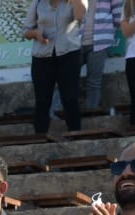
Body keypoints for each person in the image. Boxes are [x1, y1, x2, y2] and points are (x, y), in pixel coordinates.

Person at [25, 0, 87, 133]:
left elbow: (80, 16)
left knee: (70, 98)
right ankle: (40, 137)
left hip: (69, 54)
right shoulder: (37, 3)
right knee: (42, 101)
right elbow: (26, 31)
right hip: (42, 57)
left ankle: (75, 134)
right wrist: (36, 34)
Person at [83, 1, 126, 110]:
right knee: (66, 79)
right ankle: (60, 116)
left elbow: (118, 16)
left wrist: (108, 31)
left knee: (94, 82)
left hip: (100, 40)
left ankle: (91, 114)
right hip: (73, 41)